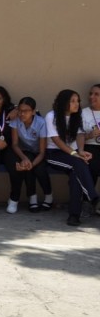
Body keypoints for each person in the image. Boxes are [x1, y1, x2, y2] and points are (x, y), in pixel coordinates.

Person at [45, 89, 99, 226]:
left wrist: (80, 151)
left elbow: (80, 135)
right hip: (54, 154)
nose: (77, 104)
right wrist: (75, 154)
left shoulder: (77, 116)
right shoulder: (51, 116)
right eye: (73, 101)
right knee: (78, 164)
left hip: (72, 154)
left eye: (78, 101)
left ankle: (74, 216)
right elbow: (56, 140)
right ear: (64, 102)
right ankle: (93, 197)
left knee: (76, 174)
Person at [9, 97, 52, 212]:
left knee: (39, 169)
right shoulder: (16, 120)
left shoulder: (41, 122)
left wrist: (31, 164)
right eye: (20, 110)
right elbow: (15, 144)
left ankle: (49, 196)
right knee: (26, 165)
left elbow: (42, 152)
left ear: (33, 111)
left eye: (26, 111)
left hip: (39, 153)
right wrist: (24, 159)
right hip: (25, 151)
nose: (22, 114)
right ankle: (32, 198)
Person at [80, 84, 100, 185]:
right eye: (91, 94)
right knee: (92, 165)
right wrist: (90, 135)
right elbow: (76, 137)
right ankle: (89, 194)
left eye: (96, 94)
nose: (92, 97)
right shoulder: (83, 113)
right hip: (90, 147)